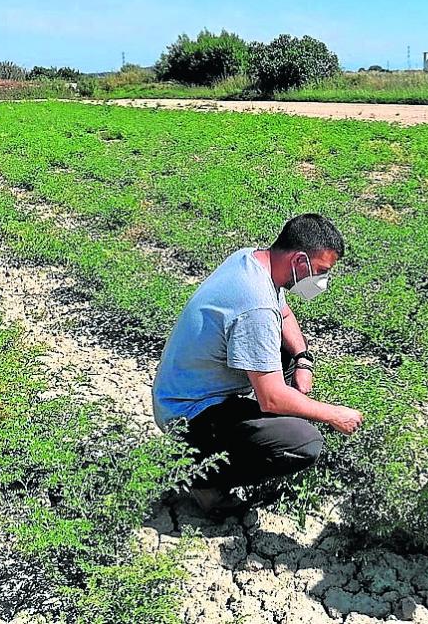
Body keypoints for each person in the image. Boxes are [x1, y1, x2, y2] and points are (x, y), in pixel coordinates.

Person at [152, 213, 364, 513]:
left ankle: (261, 427)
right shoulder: (255, 306)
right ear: (299, 261)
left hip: (186, 390)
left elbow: (284, 314)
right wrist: (333, 415)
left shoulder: (251, 261)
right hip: (188, 415)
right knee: (304, 443)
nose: (322, 281)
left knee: (288, 352)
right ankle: (203, 479)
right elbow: (272, 398)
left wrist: (304, 361)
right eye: (320, 271)